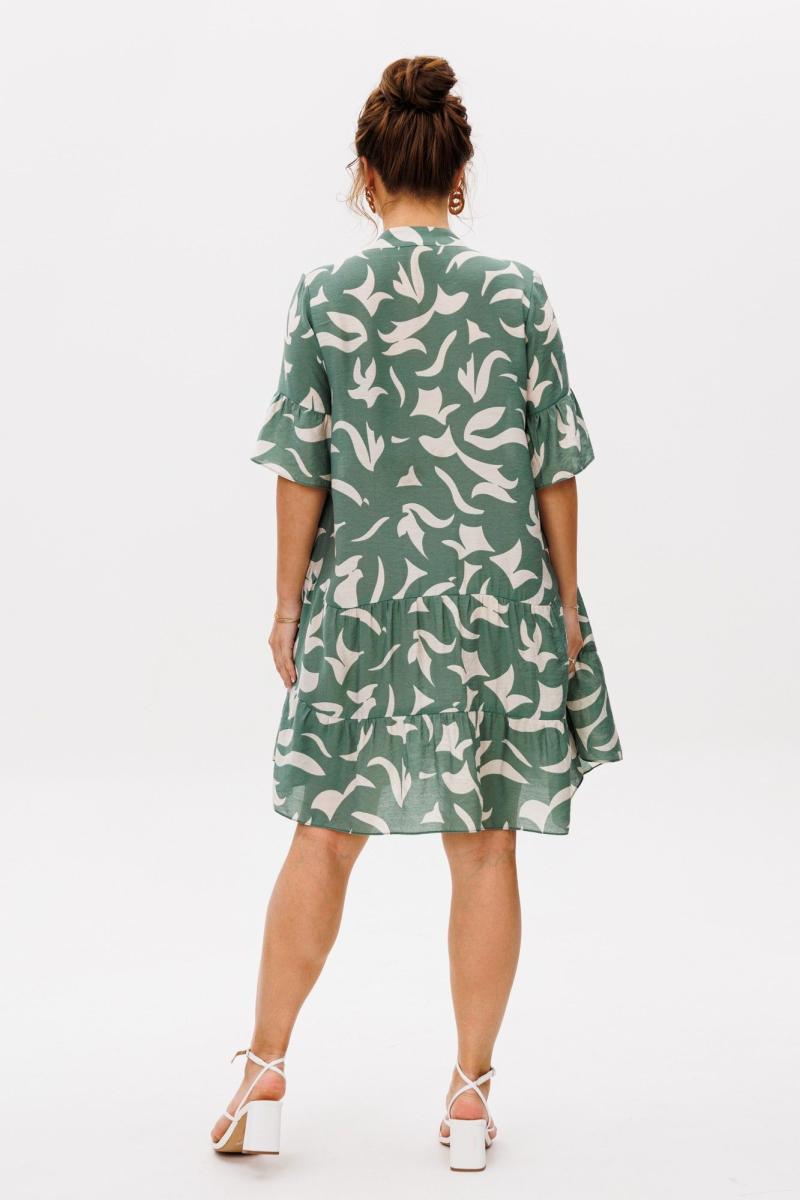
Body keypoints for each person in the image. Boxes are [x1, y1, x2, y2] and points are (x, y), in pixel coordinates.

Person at [211, 54, 622, 1172]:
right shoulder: (517, 291)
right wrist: (564, 604)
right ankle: (470, 1099)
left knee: (324, 832)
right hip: (494, 596)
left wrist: (288, 608)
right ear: (459, 174)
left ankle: (261, 1073)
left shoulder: (326, 293)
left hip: (365, 599)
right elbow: (553, 466)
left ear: (365, 173)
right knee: (483, 845)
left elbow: (302, 465)